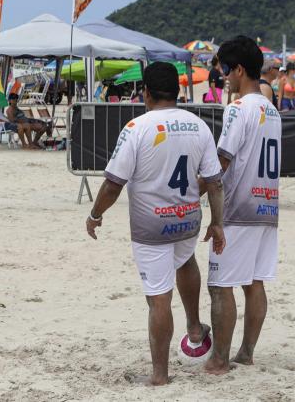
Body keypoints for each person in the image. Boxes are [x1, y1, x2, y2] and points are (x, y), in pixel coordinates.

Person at [86, 61, 225, 386]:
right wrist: (217, 222)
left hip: (152, 226)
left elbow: (112, 184)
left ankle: (160, 375)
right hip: (188, 218)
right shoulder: (199, 126)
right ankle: (194, 328)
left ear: (145, 92)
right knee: (185, 260)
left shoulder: (137, 128)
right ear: (177, 92)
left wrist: (95, 215)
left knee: (159, 297)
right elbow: (215, 182)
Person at [203, 36, 282, 375]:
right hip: (268, 205)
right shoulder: (272, 110)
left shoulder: (239, 108)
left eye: (225, 69)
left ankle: (219, 360)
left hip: (239, 208)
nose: (223, 76)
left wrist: (191, 193)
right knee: (254, 282)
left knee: (220, 284)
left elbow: (220, 162)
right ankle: (246, 353)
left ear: (238, 69)